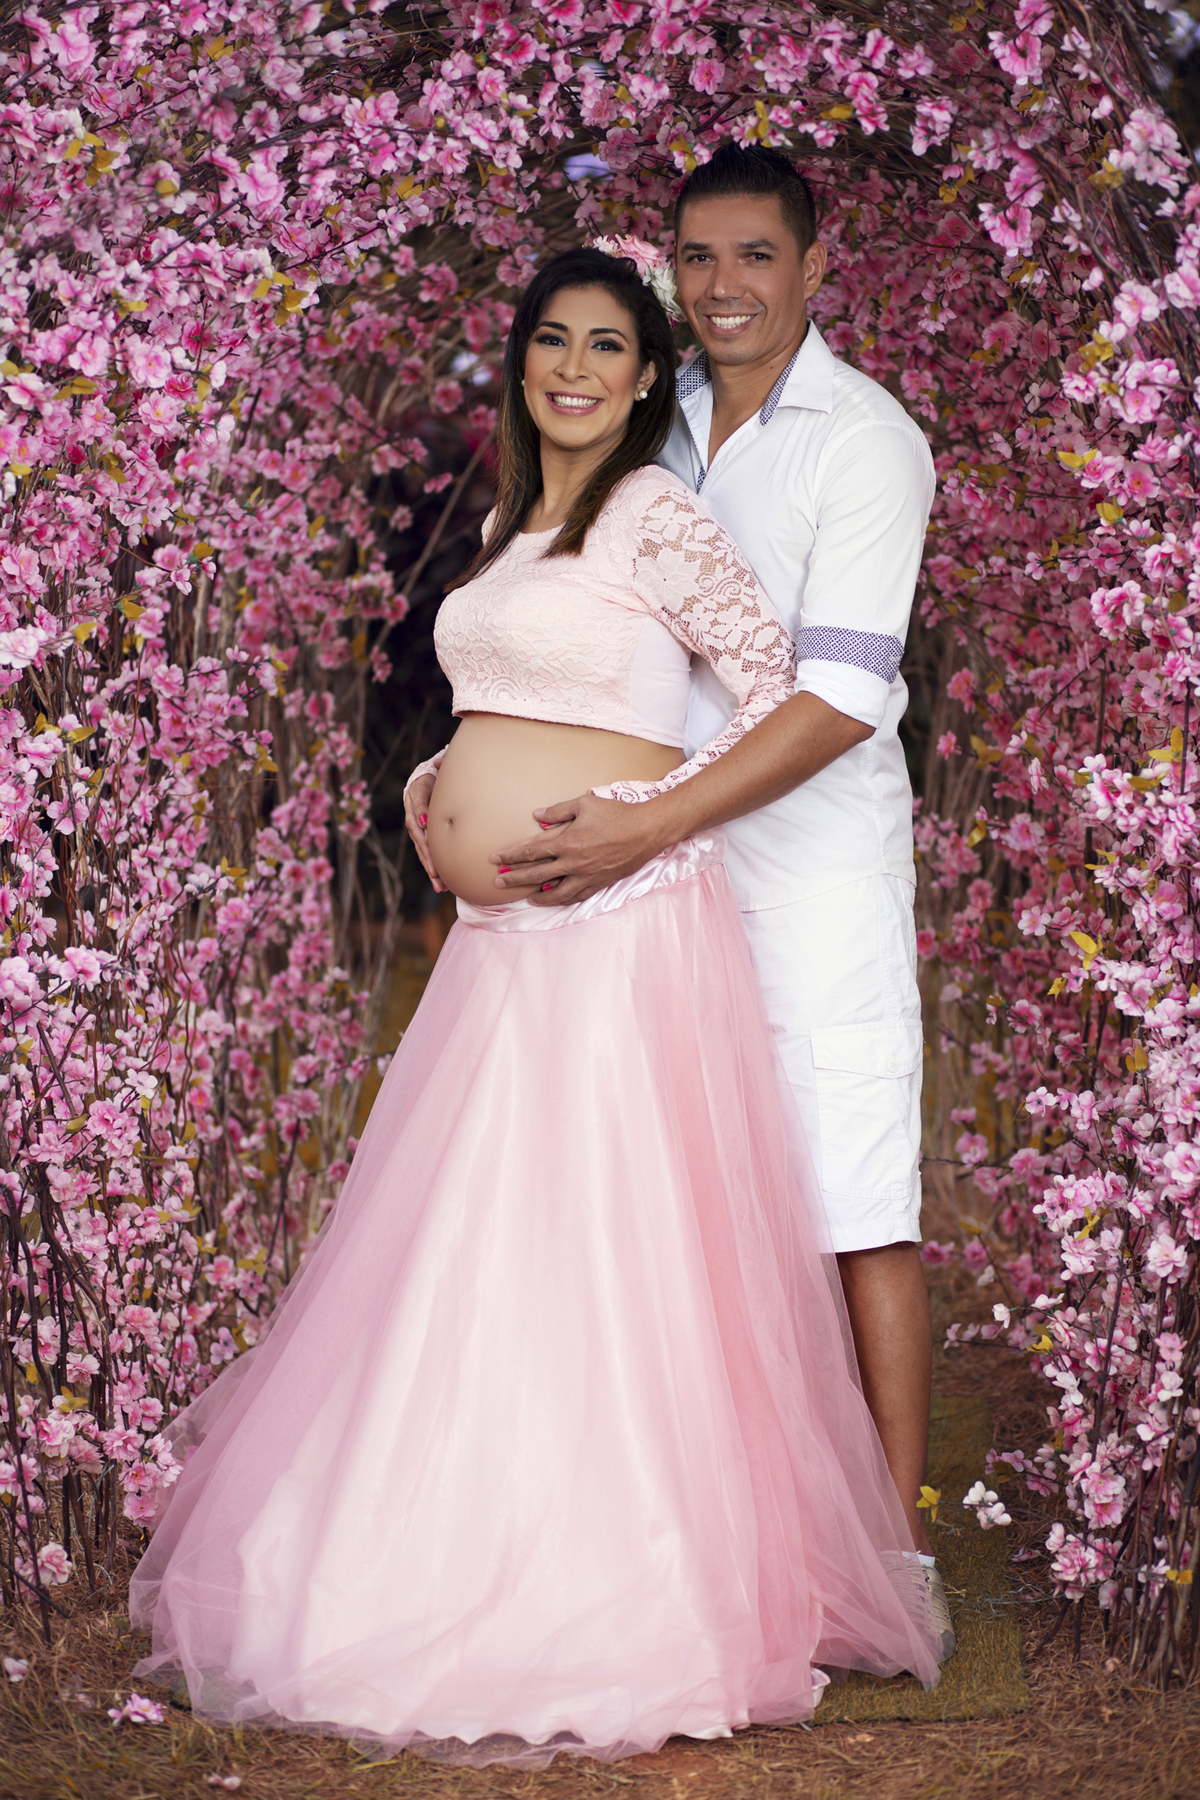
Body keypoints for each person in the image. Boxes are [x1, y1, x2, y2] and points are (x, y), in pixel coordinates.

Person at [130, 246, 943, 1771]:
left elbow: (779, 690)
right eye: (551, 341)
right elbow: (522, 693)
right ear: (520, 365)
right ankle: (435, 1538)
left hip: (612, 934)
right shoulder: (515, 527)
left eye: (607, 347)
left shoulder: (656, 515)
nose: (574, 367)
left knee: (598, 1238)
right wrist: (450, 777)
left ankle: (623, 1577)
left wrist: (646, 818)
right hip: (501, 947)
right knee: (479, 1237)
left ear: (645, 382)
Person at [407, 146, 951, 1647]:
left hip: (801, 869)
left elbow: (836, 694)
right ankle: (705, 1522)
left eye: (755, 255)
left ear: (813, 267)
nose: (723, 285)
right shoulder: (657, 420)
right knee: (678, 1206)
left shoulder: (866, 442)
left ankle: (887, 1555)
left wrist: (647, 823)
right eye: (698, 256)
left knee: (851, 1198)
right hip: (646, 891)